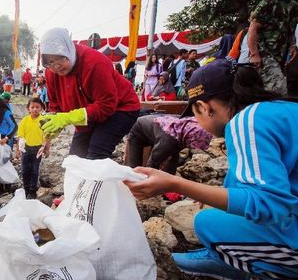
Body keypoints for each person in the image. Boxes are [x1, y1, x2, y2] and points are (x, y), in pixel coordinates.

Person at [124, 59, 298, 280]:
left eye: (196, 113)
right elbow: (251, 184)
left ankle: (230, 263)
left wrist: (177, 184)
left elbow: (268, 204)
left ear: (204, 107)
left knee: (207, 224)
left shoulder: (246, 121)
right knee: (223, 208)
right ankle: (227, 261)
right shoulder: (283, 110)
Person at [40, 28, 140, 160]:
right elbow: (55, 107)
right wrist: (47, 139)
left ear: (68, 50)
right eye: (50, 62)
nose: (56, 66)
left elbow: (107, 105)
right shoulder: (50, 73)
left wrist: (68, 117)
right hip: (89, 112)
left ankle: (101, 180)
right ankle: (79, 181)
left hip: (121, 108)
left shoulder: (95, 63)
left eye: (60, 58)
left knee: (96, 153)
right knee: (76, 158)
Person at [248, 0, 298, 94]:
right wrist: (254, 54)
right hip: (265, 55)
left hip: (281, 57)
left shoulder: (295, 7)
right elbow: (252, 28)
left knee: (271, 89)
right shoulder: (268, 3)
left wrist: (293, 46)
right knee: (279, 90)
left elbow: (291, 29)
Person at [126, 115, 212, 175]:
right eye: (193, 144)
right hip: (138, 130)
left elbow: (174, 155)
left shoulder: (183, 129)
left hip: (156, 128)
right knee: (135, 167)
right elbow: (152, 165)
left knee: (173, 154)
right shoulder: (168, 141)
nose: (192, 147)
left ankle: (168, 187)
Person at [14, 98, 50, 199]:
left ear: (42, 108)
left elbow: (47, 136)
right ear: (28, 109)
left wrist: (47, 149)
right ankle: (26, 189)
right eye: (32, 107)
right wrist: (17, 150)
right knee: (25, 170)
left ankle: (32, 190)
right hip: (25, 149)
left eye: (37, 107)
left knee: (35, 170)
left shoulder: (43, 121)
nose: (35, 109)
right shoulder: (25, 121)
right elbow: (20, 136)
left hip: (38, 149)